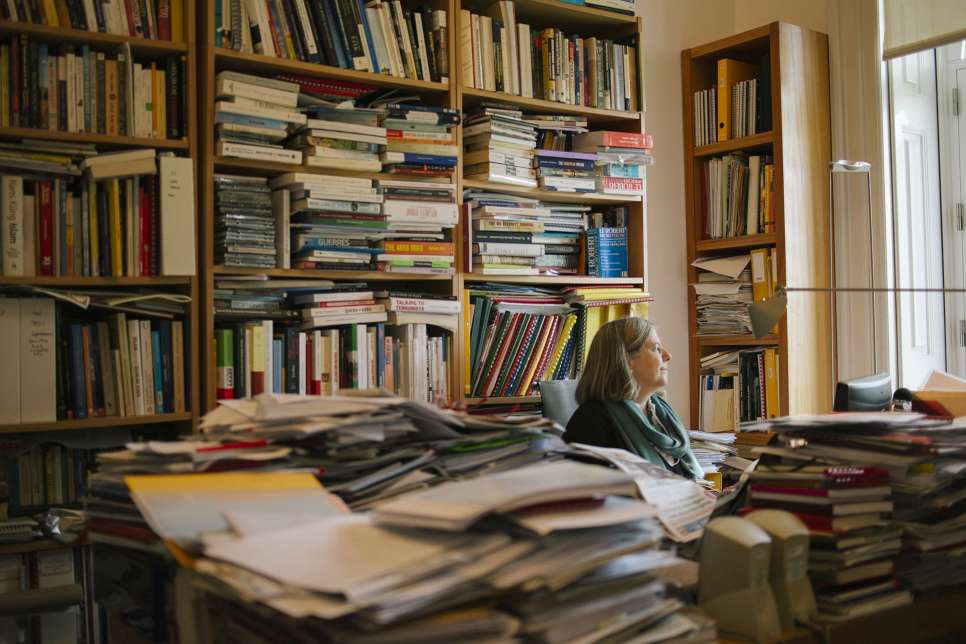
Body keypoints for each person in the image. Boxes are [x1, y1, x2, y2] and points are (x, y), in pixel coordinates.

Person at [565, 317, 703, 480]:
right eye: (656, 349)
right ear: (627, 360)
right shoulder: (592, 420)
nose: (668, 355)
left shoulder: (661, 413)